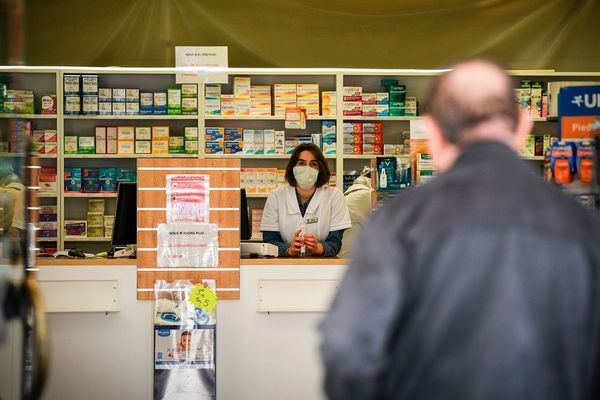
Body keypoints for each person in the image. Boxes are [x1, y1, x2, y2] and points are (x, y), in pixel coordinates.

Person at [320, 59, 600, 400]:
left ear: (433, 132)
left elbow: (347, 349)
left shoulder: (400, 221)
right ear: (523, 125)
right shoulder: (580, 225)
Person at [261, 142, 351, 257]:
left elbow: (335, 241)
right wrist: (288, 250)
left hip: (322, 267)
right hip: (284, 266)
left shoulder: (335, 196)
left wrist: (320, 248)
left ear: (320, 168)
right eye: (301, 163)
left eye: (313, 164)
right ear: (293, 167)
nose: (307, 168)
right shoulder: (276, 196)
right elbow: (270, 240)